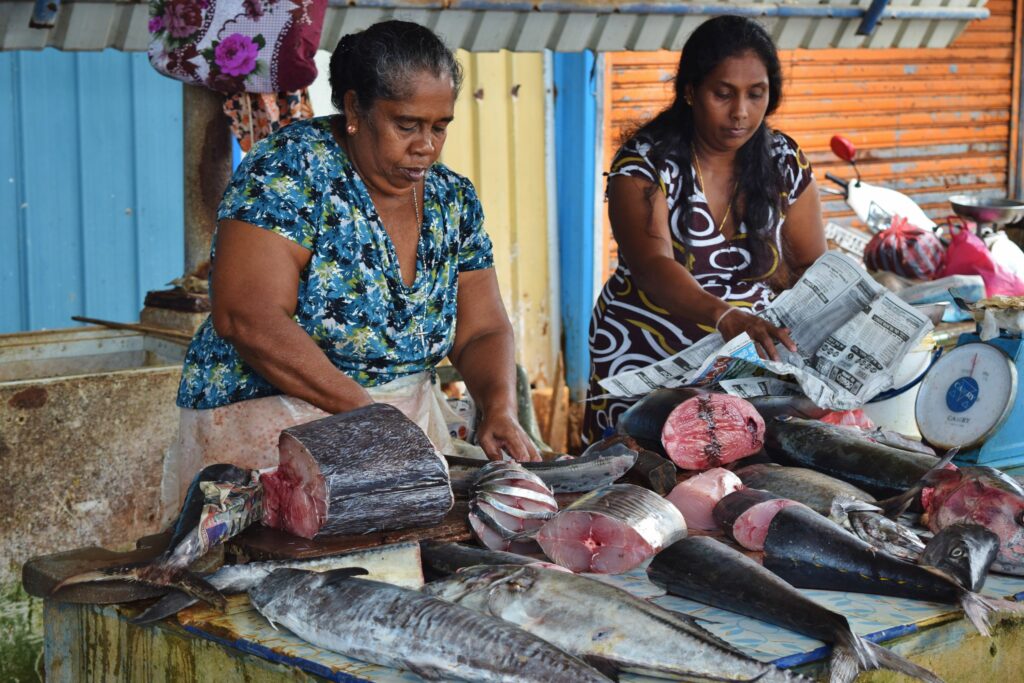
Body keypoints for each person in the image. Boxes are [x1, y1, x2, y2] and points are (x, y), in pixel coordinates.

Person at [173, 20, 539, 500]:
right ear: (353, 108)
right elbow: (248, 316)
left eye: (439, 126)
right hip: (270, 432)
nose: (426, 145)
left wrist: (497, 407)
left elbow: (482, 329)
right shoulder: (291, 170)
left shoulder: (453, 198)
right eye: (406, 125)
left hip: (395, 433)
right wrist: (369, 416)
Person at [582, 15, 826, 444]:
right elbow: (652, 265)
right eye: (723, 94)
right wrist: (724, 315)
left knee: (737, 475)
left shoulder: (784, 160)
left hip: (747, 356)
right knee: (642, 475)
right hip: (646, 351)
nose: (741, 112)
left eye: (756, 94)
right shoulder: (644, 163)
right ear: (691, 92)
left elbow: (810, 264)